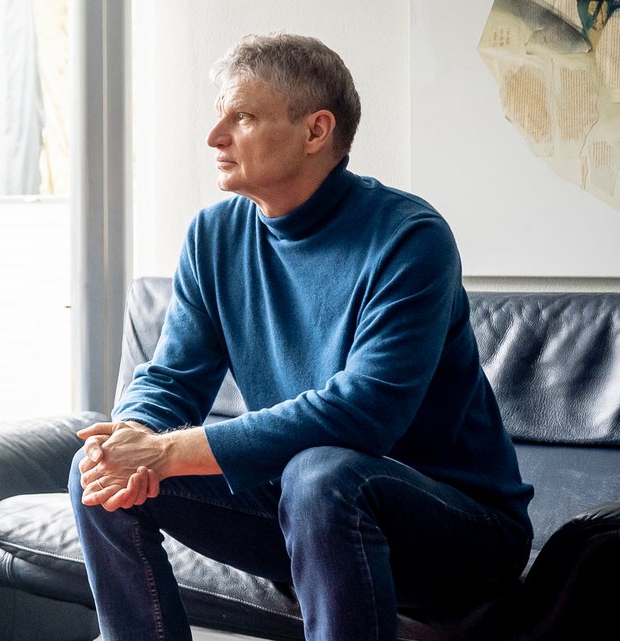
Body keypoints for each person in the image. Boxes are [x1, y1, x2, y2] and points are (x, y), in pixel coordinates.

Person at [69, 33, 534, 641]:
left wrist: (167, 452)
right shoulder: (215, 237)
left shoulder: (409, 238)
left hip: (458, 532)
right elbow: (171, 378)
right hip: (305, 507)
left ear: (316, 131)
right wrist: (132, 434)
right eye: (220, 116)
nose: (214, 138)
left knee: (322, 474)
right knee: (95, 472)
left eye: (243, 117)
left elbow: (363, 415)